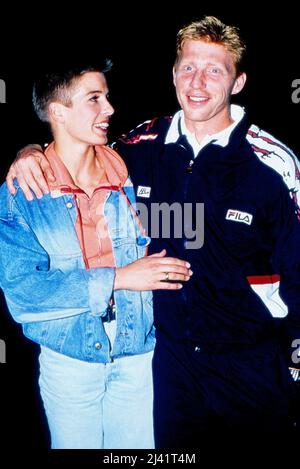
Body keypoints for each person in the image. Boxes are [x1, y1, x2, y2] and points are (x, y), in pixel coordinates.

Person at [6, 16, 300, 448]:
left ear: (238, 82)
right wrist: (28, 152)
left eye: (214, 70)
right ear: (173, 73)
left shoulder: (274, 165)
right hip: (164, 367)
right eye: (188, 67)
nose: (197, 82)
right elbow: (75, 148)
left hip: (250, 367)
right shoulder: (139, 148)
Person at [0, 61, 192, 449]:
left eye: (106, 97)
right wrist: (119, 278)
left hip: (139, 351)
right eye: (94, 99)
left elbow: (190, 228)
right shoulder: (23, 193)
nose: (110, 109)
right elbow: (23, 293)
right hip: (69, 360)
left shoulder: (132, 173)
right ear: (58, 112)